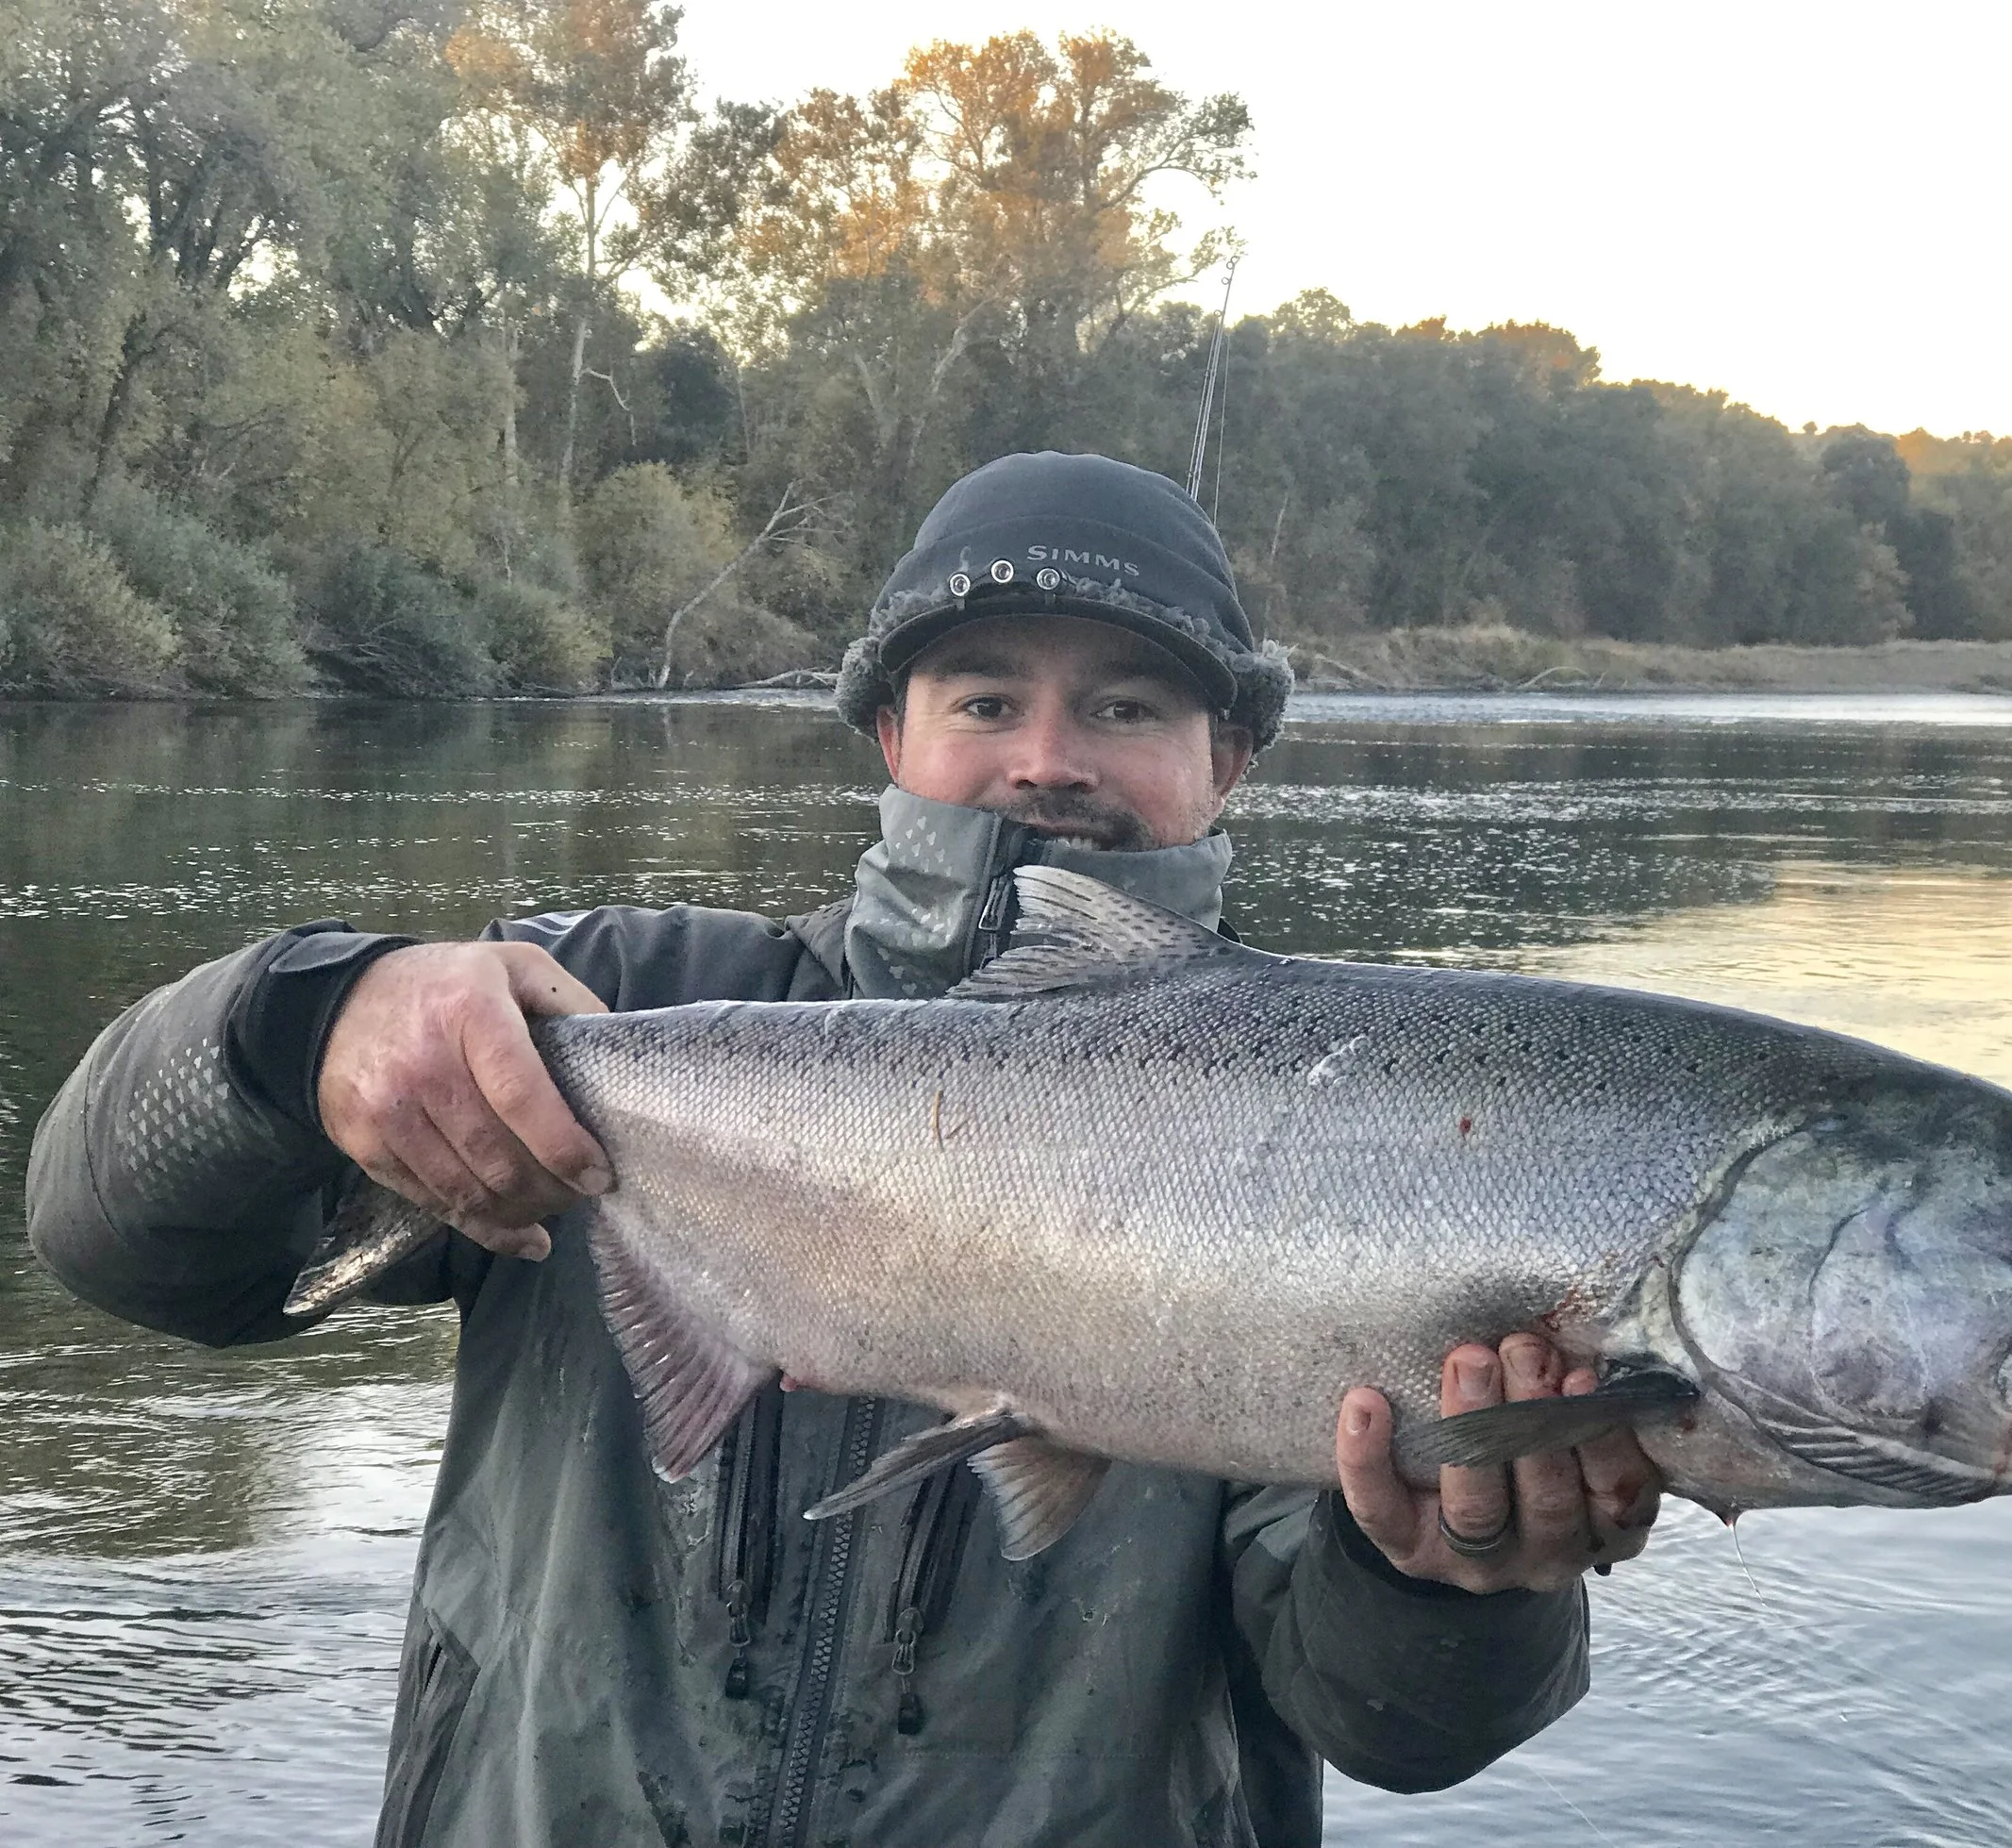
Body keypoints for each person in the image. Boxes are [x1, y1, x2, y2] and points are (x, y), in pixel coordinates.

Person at [27, 452, 1664, 1847]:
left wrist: (1457, 1579)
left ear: (1228, 759)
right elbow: (121, 1246)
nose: (1047, 756)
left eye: (1126, 703)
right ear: (887, 733)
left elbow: (1395, 1727)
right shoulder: (602, 1008)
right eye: (985, 698)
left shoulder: (1333, 1133)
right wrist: (298, 1019)